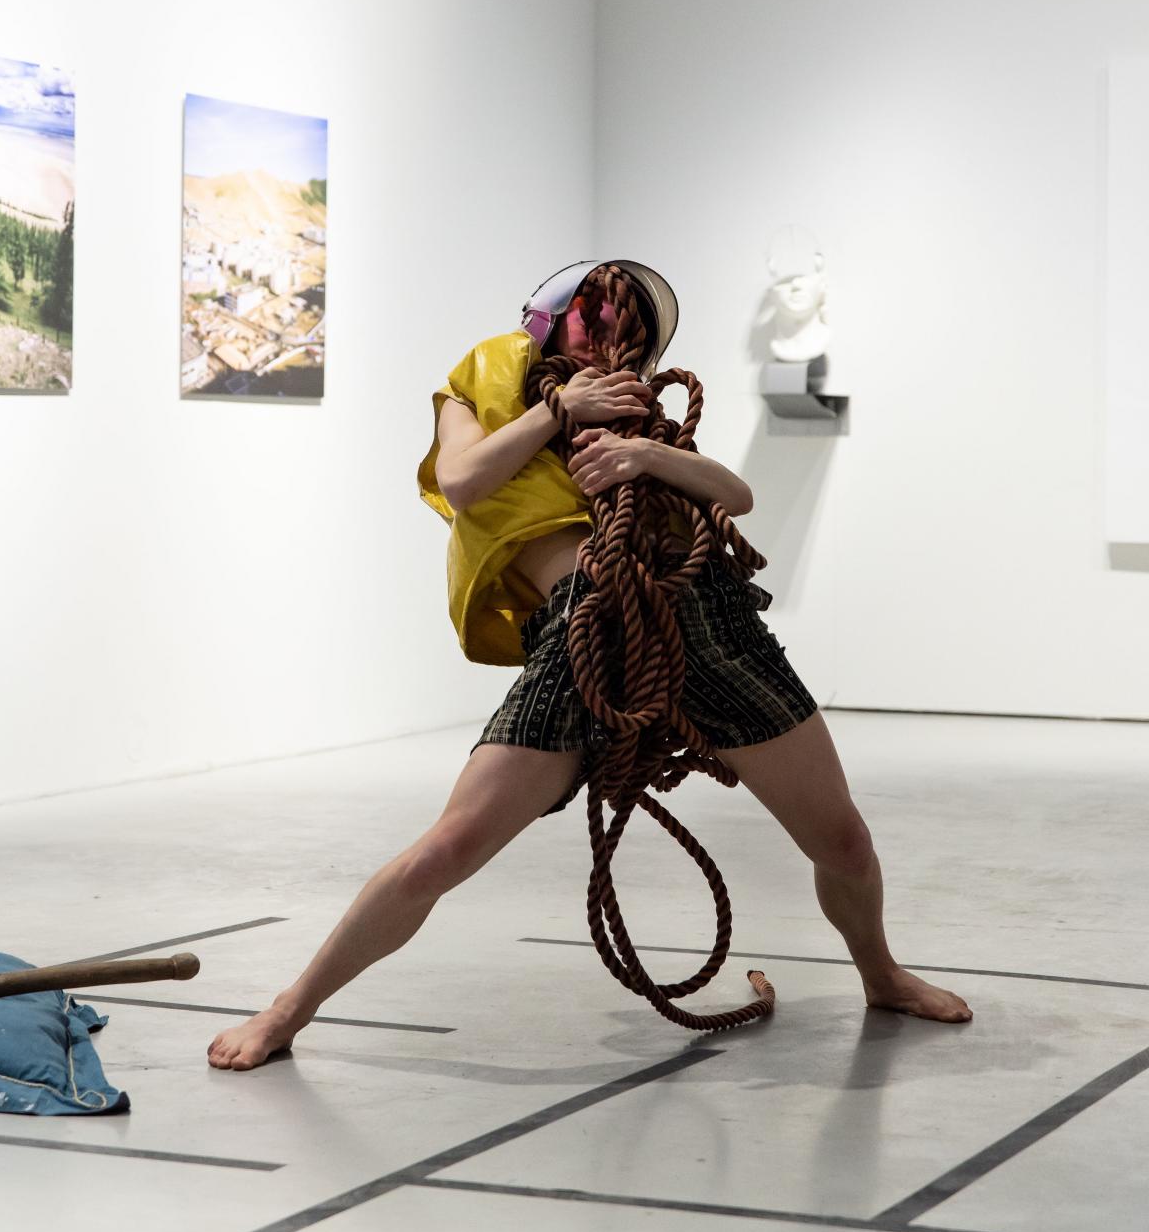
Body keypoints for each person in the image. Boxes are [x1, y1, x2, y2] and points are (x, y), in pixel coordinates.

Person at [208, 260, 968, 1071]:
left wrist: (647, 457)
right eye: (596, 307)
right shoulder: (485, 388)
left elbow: (735, 497)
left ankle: (880, 973)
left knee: (844, 842)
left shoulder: (643, 414)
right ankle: (290, 1009)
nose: (612, 324)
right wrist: (559, 409)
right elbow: (462, 481)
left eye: (631, 318)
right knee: (444, 852)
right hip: (578, 629)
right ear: (548, 315)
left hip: (708, 619)